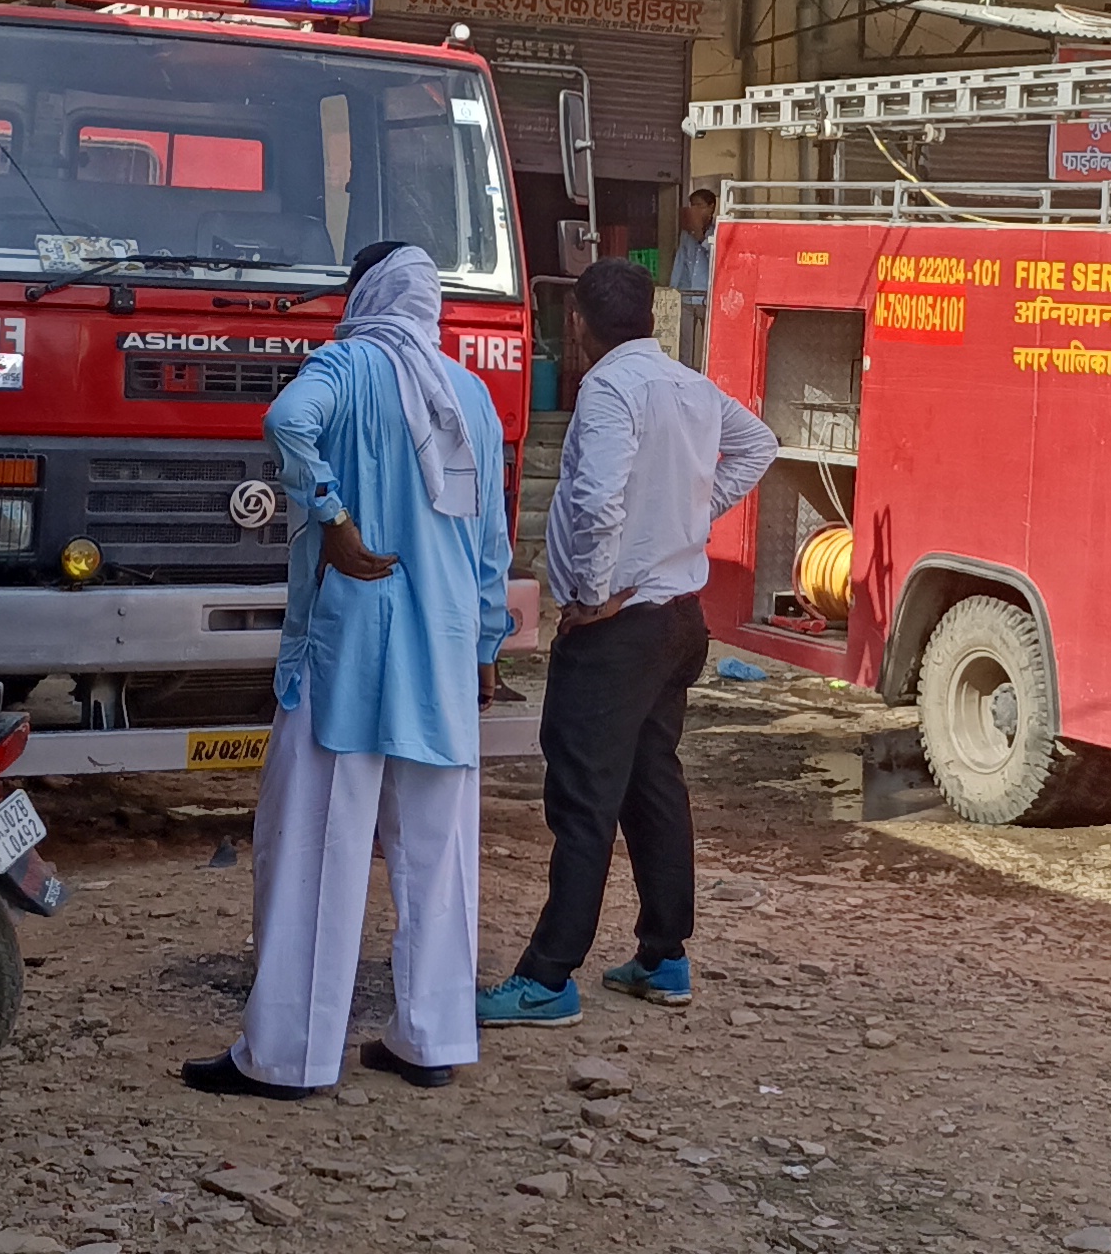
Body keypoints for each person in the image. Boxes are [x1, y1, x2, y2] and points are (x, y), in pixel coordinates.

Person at [190, 242, 513, 1099]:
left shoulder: (346, 364)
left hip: (352, 654)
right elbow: (491, 544)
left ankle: (292, 1057)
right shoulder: (469, 394)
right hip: (441, 659)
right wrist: (485, 648)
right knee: (437, 859)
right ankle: (431, 1038)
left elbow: (284, 421)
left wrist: (330, 514)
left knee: (314, 852)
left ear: (361, 295)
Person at [481, 260, 775, 1028]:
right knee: (652, 789)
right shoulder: (687, 384)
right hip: (677, 616)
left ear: (577, 324)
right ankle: (662, 956)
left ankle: (548, 977)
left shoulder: (610, 390)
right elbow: (759, 446)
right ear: (651, 314)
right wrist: (688, 515)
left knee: (583, 800)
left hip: (622, 624)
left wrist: (597, 591)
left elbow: (597, 499)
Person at [667, 188, 719, 370]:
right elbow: (680, 260)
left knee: (709, 347)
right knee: (684, 346)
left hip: (708, 298)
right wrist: (672, 290)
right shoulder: (685, 233)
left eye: (699, 206)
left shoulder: (719, 231)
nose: (694, 210)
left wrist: (702, 238)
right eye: (692, 206)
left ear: (711, 207)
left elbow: (719, 258)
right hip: (686, 296)